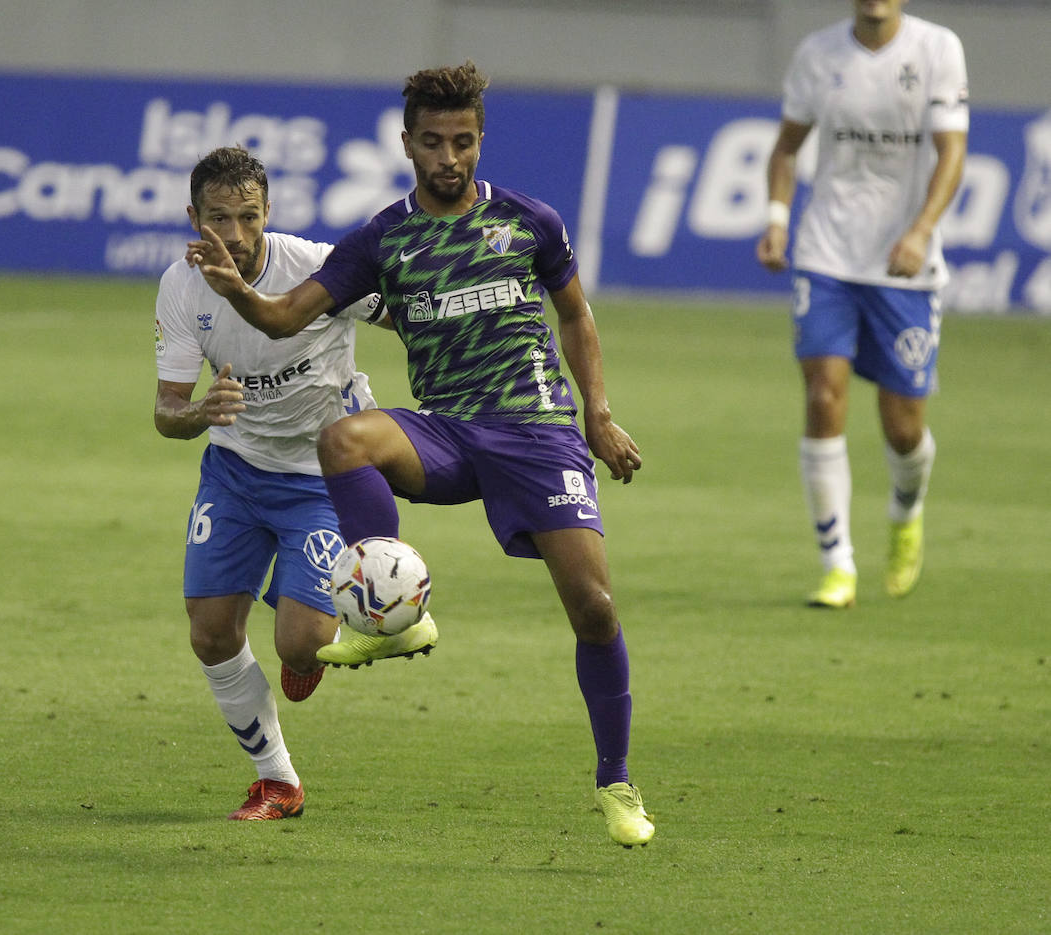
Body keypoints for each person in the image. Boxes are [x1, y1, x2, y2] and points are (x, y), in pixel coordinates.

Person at [188, 63, 655, 847]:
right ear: (407, 144)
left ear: (480, 141)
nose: (449, 157)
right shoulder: (382, 238)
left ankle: (615, 780)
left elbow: (576, 315)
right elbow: (282, 319)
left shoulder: (530, 222)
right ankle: (386, 608)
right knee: (344, 436)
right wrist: (236, 288)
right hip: (447, 430)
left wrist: (599, 416)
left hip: (538, 433)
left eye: (463, 141)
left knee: (596, 609)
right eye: (433, 142)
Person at [154, 146, 407, 821]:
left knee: (299, 645)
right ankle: (278, 781)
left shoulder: (319, 269)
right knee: (209, 633)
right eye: (217, 218)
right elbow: (166, 409)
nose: (233, 234)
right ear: (192, 217)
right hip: (235, 471)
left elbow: (406, 314)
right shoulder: (179, 288)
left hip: (324, 474)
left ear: (268, 213)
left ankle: (298, 603)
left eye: (248, 216)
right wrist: (198, 413)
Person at [756, 0, 968, 608]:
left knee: (903, 429)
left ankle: (907, 508)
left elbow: (952, 153)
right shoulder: (818, 55)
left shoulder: (936, 50)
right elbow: (787, 148)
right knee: (824, 394)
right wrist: (777, 219)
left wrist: (922, 231)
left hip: (905, 265)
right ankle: (837, 564)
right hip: (826, 256)